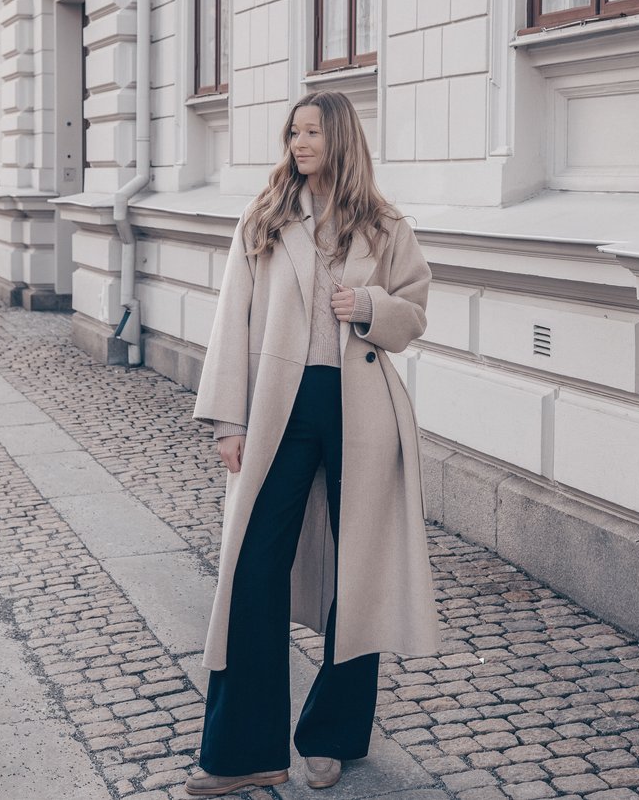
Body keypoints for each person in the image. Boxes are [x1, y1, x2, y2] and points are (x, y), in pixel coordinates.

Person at [186, 91, 439, 797]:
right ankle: (243, 751)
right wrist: (228, 421)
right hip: (279, 409)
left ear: (340, 139)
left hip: (361, 411)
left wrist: (370, 309)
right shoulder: (264, 217)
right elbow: (230, 320)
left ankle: (331, 735)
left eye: (311, 132)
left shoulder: (385, 226)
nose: (298, 143)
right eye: (292, 132)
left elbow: (415, 310)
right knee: (253, 568)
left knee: (358, 577)